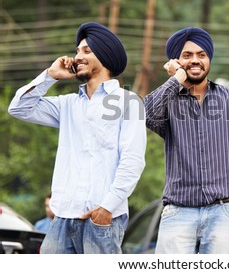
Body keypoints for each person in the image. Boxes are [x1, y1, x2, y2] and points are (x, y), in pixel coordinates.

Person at [8, 22, 147, 254]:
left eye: (86, 51)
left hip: (102, 219)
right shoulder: (68, 105)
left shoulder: (129, 102)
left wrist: (106, 208)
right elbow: (19, 108)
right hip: (61, 219)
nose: (77, 57)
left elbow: (132, 161)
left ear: (105, 56)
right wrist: (50, 76)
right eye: (77, 51)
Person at [144, 27, 229, 254]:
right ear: (176, 61)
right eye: (187, 55)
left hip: (224, 212)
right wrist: (176, 80)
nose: (195, 60)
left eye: (201, 55)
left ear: (209, 59)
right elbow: (146, 114)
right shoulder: (169, 102)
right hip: (178, 212)